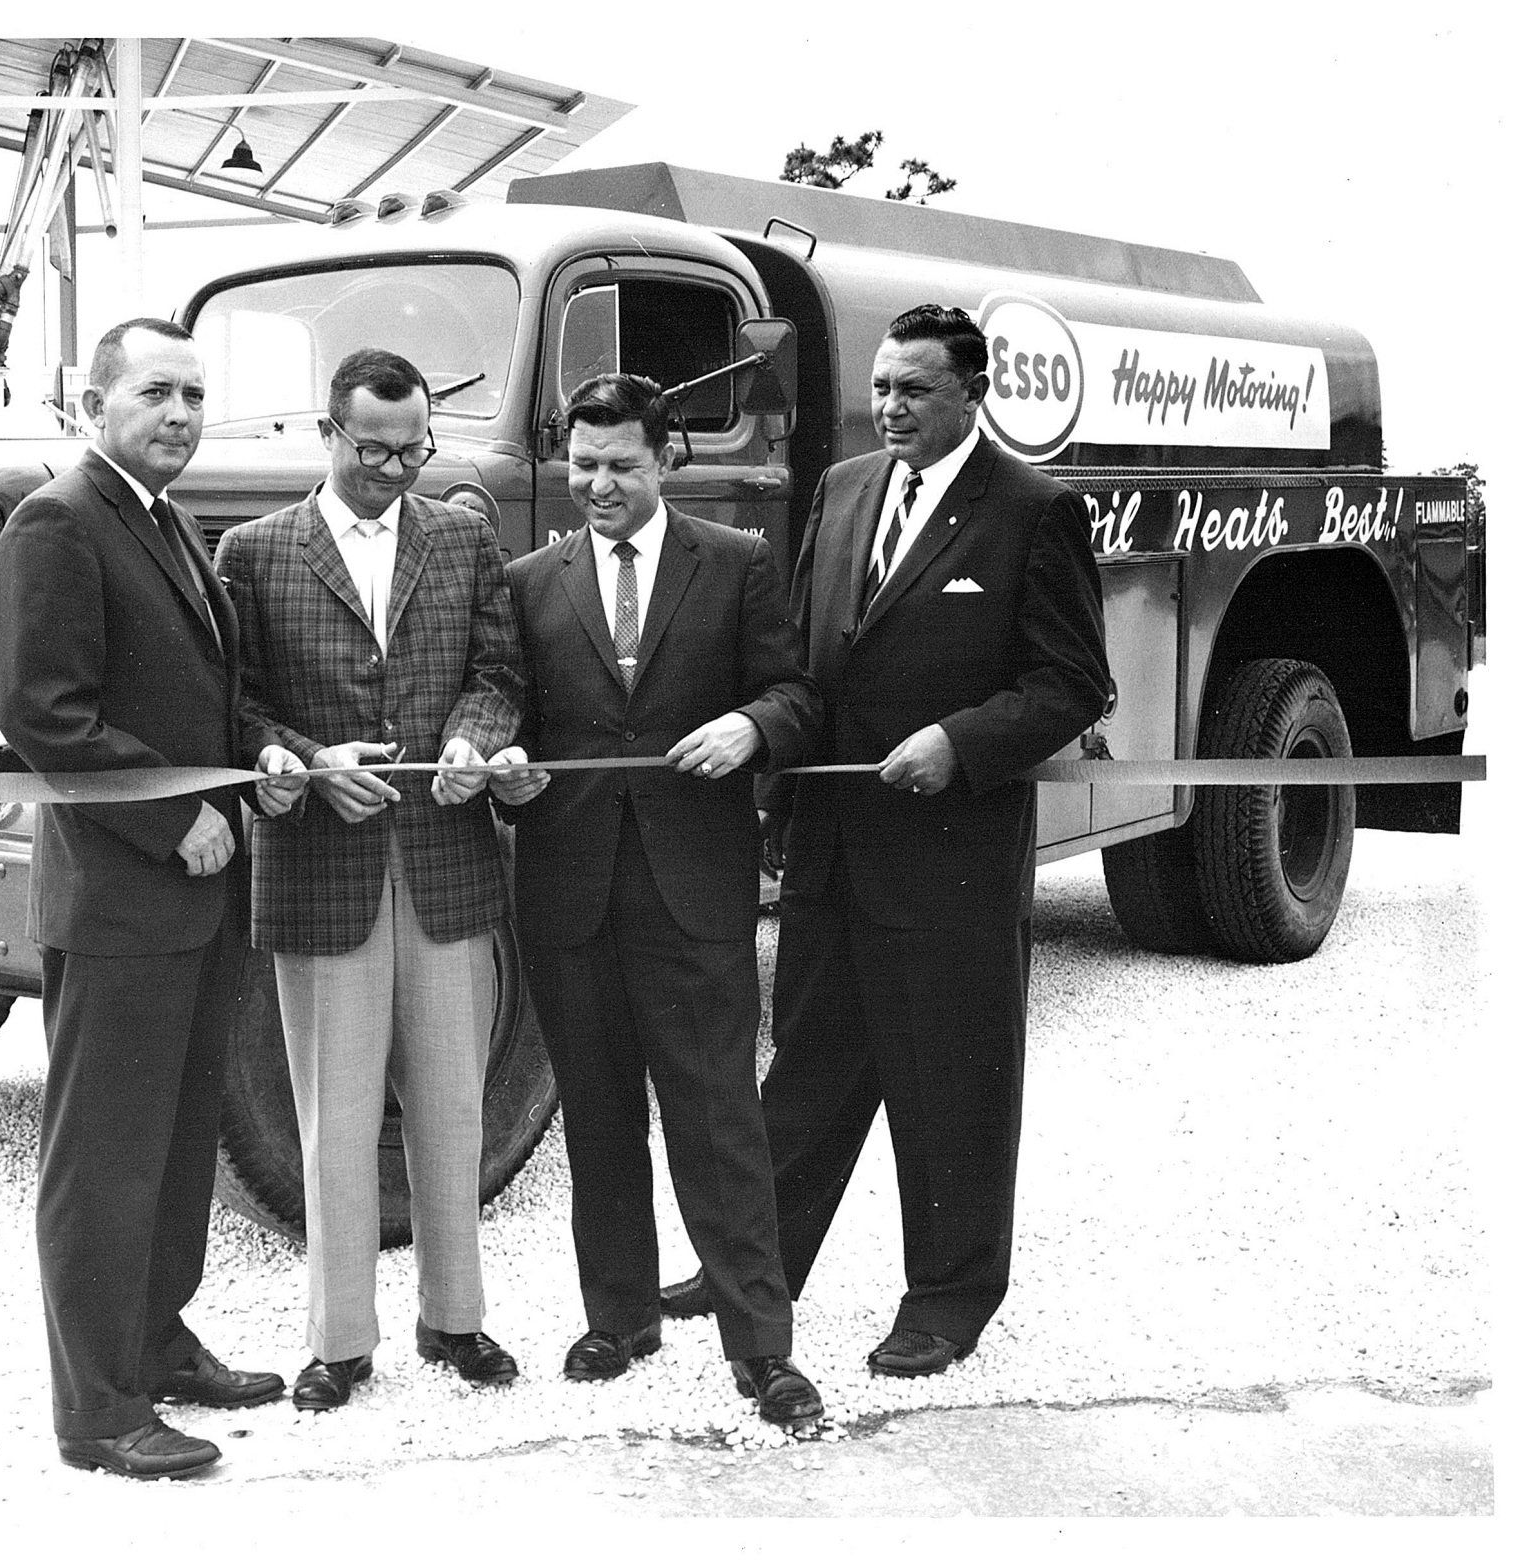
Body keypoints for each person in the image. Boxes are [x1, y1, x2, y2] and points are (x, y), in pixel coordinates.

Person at [661, 305, 1111, 1378]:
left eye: (914, 388)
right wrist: (775, 793)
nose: (891, 406)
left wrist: (960, 742)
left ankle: (949, 1299)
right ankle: (753, 1264)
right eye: (882, 385)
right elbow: (818, 665)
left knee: (951, 1084)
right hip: (832, 846)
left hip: (948, 858)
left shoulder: (1033, 511)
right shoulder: (847, 488)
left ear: (972, 391)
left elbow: (1072, 682)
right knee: (806, 1077)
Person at [0, 317, 305, 1479]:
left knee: (175, 1151)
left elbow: (200, 702)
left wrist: (259, 758)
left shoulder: (165, 522)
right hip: (126, 899)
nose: (180, 414)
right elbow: (43, 711)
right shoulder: (59, 521)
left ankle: (156, 1339)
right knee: (105, 1159)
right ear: (94, 403)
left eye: (194, 394)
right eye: (155, 393)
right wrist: (175, 817)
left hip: (194, 903)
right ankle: (95, 1410)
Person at [488, 374, 826, 1426]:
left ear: (666, 460)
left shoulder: (736, 566)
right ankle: (620, 1315)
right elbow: (509, 709)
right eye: (582, 465)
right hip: (570, 893)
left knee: (717, 1122)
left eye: (620, 465)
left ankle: (761, 1349)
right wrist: (507, 764)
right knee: (595, 1119)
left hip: (694, 897)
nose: (596, 483)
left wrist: (754, 728)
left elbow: (800, 695)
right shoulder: (528, 580)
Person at [215, 348, 525, 1411]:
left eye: (416, 448)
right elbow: (237, 708)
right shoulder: (254, 554)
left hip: (445, 857)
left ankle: (458, 1321)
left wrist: (474, 741)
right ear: (328, 433)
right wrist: (301, 761)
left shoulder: (464, 535)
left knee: (454, 1107)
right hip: (322, 865)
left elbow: (499, 674)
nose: (399, 469)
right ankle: (339, 1341)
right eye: (377, 449)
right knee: (333, 1117)